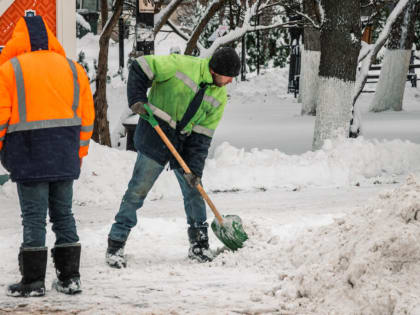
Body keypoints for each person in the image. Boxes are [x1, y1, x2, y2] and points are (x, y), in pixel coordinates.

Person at [106, 47, 240, 267]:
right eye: (229, 77)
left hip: (184, 143)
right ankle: (116, 243)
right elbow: (140, 67)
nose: (230, 82)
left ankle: (199, 245)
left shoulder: (220, 96)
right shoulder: (180, 65)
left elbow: (202, 136)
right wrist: (137, 99)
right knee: (137, 191)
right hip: (155, 132)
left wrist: (194, 170)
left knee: (194, 191)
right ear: (217, 70)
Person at [0, 16, 95, 297]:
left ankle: (32, 282)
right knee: (64, 214)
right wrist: (79, 152)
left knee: (33, 217)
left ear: (18, 38)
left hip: (28, 154)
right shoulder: (73, 69)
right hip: (65, 153)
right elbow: (86, 117)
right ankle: (70, 278)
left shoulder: (9, 71)